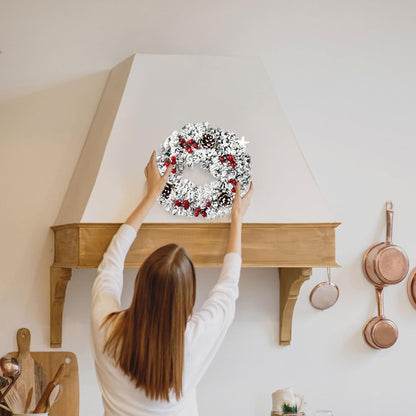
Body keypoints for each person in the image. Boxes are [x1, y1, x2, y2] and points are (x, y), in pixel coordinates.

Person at [90, 151, 253, 416]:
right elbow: (227, 287)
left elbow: (112, 261)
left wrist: (151, 195)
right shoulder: (195, 339)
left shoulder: (105, 326)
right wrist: (237, 217)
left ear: (141, 283)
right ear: (188, 297)